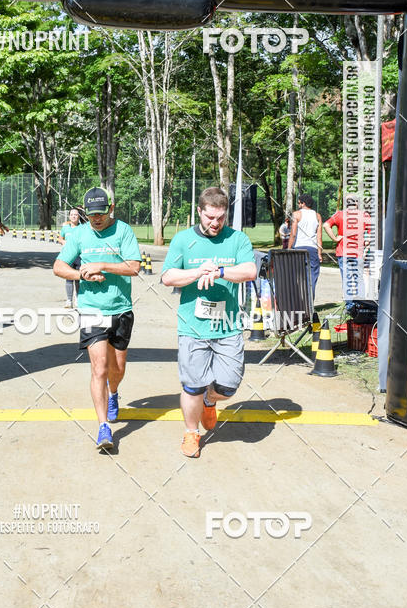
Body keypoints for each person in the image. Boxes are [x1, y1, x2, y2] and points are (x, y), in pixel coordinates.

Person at [161, 186, 257, 459]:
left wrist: (221, 271)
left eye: (220, 218)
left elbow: (250, 270)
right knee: (192, 385)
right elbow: (167, 277)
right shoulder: (183, 240)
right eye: (209, 217)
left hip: (228, 325)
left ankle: (210, 400)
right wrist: (196, 272)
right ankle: (191, 433)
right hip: (193, 327)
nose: (215, 223)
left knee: (228, 385)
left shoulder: (237, 239)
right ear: (199, 212)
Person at [53, 187, 141, 451]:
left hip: (121, 308)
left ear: (110, 208)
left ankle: (114, 393)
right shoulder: (79, 234)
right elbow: (59, 267)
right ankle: (103, 426)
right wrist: (82, 275)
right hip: (92, 309)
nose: (96, 219)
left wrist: (102, 266)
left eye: (101, 214)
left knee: (117, 370)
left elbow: (134, 267)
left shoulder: (123, 231)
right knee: (99, 369)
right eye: (91, 215)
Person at [323, 207, 372, 311]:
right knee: (359, 279)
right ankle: (361, 305)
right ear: (357, 204)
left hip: (343, 251)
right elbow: (369, 235)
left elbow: (326, 225)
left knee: (346, 280)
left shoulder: (340, 214)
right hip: (357, 252)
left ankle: (349, 307)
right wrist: (366, 246)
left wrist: (335, 238)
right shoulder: (364, 215)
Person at [288, 193, 322, 297]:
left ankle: (297, 300)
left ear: (303, 203)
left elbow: (293, 234)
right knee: (312, 277)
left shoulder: (296, 214)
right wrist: (319, 253)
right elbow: (319, 236)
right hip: (312, 249)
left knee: (296, 276)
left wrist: (288, 248)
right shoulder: (317, 216)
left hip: (298, 248)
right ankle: (309, 302)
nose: (298, 204)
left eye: (299, 203)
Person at [58, 207, 84, 308]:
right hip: (68, 257)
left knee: (77, 278)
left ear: (79, 216)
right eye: (72, 214)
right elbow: (60, 238)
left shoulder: (82, 228)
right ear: (69, 216)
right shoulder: (65, 228)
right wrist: (63, 242)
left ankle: (77, 298)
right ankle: (69, 300)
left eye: (76, 214)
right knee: (68, 278)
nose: (74, 216)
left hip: (79, 257)